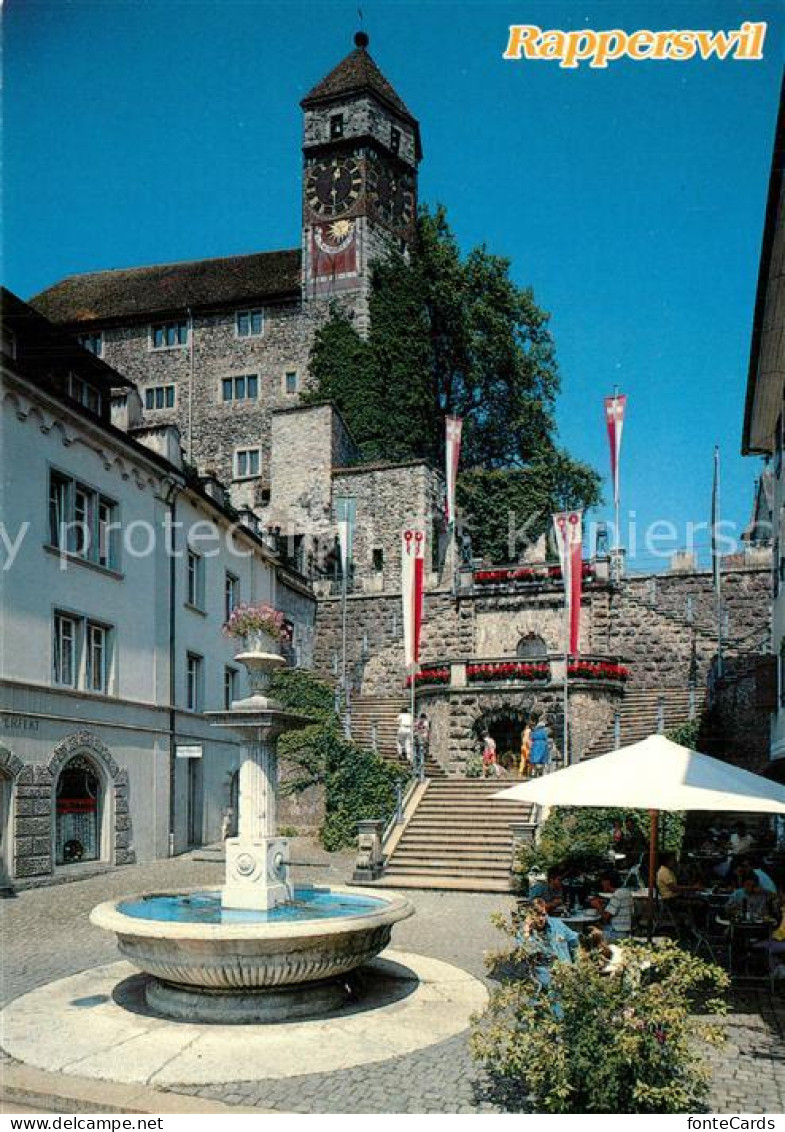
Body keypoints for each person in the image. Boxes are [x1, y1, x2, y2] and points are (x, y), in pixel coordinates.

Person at [517, 898, 579, 996]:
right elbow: (527, 950)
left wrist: (576, 964)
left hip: (565, 973)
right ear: (530, 917)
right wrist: (526, 931)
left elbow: (574, 941)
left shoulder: (557, 924)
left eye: (543, 914)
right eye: (537, 915)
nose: (541, 919)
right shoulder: (525, 933)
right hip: (543, 978)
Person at [589, 870, 634, 939]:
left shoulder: (617, 895)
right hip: (626, 931)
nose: (601, 884)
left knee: (590, 933)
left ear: (607, 882)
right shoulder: (626, 891)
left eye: (602, 881)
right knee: (598, 926)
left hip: (617, 933)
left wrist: (598, 906)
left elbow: (605, 918)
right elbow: (619, 906)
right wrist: (604, 902)